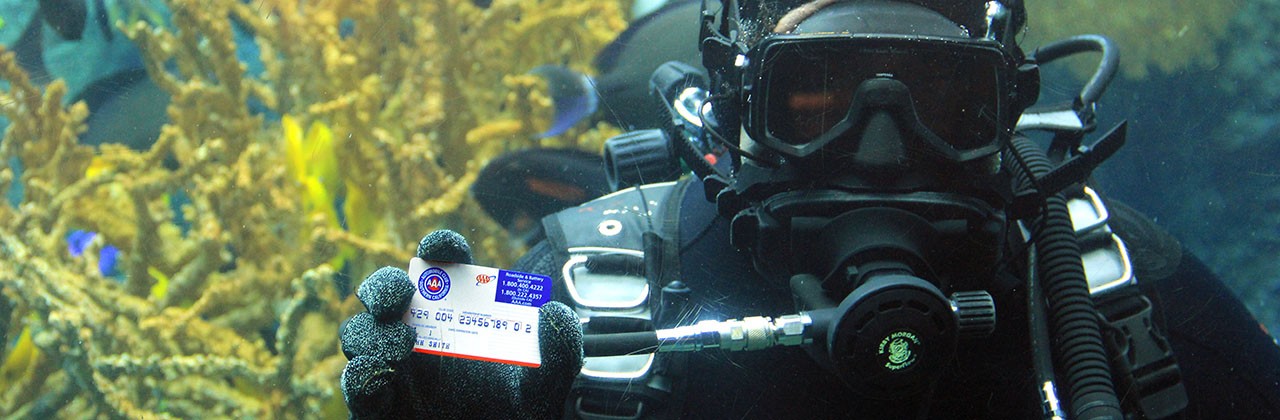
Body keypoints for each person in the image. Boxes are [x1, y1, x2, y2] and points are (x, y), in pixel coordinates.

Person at [339, 0, 1280, 418]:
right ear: (739, 102)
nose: (880, 146)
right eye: (817, 99)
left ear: (1004, 109)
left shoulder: (1108, 285)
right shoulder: (598, 279)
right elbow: (419, 328)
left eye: (943, 104)